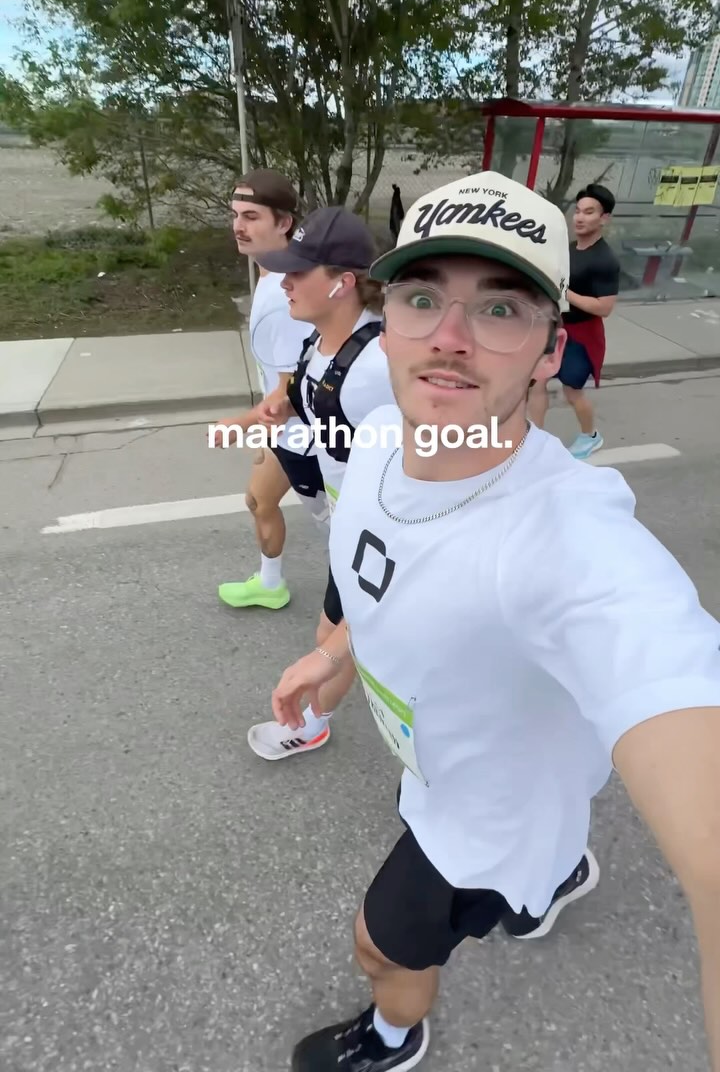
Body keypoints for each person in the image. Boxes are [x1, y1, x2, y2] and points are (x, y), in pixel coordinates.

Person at [271, 170, 720, 1072]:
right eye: (421, 297)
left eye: (501, 309)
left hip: (484, 821)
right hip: (439, 765)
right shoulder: (383, 441)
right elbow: (399, 567)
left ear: (551, 351)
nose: (448, 336)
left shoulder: (569, 538)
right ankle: (553, 878)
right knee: (529, 866)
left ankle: (393, 1037)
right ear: (385, 315)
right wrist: (342, 652)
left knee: (379, 945)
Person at [246, 205, 396, 761]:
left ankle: (314, 723)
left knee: (334, 639)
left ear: (343, 283)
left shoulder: (377, 367)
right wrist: (281, 410)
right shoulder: (319, 342)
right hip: (346, 520)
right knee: (337, 635)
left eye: (299, 271)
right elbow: (316, 409)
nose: (284, 281)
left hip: (376, 532)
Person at [213, 169, 329, 612]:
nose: (238, 226)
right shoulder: (271, 280)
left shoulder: (283, 299)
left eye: (251, 216)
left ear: (284, 223)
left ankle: (366, 612)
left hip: (311, 439)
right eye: (235, 215)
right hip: (287, 432)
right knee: (259, 500)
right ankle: (270, 583)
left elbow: (289, 392)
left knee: (342, 532)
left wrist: (240, 424)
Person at [528, 183, 620, 458]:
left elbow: (604, 307)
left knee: (572, 392)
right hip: (556, 327)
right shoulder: (569, 249)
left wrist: (566, 293)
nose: (579, 217)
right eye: (578, 211)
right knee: (538, 380)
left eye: (589, 212)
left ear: (604, 218)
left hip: (582, 336)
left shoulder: (605, 260)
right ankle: (534, 437)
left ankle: (591, 436)